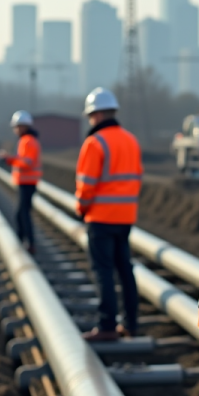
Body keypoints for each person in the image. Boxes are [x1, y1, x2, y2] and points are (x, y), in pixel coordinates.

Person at [75, 87, 143, 342]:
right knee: (125, 270)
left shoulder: (95, 143)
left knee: (103, 271)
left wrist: (81, 209)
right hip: (125, 217)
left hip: (100, 218)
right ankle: (131, 324)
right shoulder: (131, 140)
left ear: (96, 115)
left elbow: (86, 185)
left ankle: (107, 326)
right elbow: (136, 178)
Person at [0, 110, 41, 253]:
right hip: (26, 182)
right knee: (21, 213)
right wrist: (11, 158)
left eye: (16, 127)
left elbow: (26, 162)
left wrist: (9, 159)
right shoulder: (27, 140)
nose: (15, 130)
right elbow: (23, 159)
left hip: (27, 182)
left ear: (23, 126)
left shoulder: (28, 141)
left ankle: (28, 243)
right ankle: (22, 241)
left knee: (23, 214)